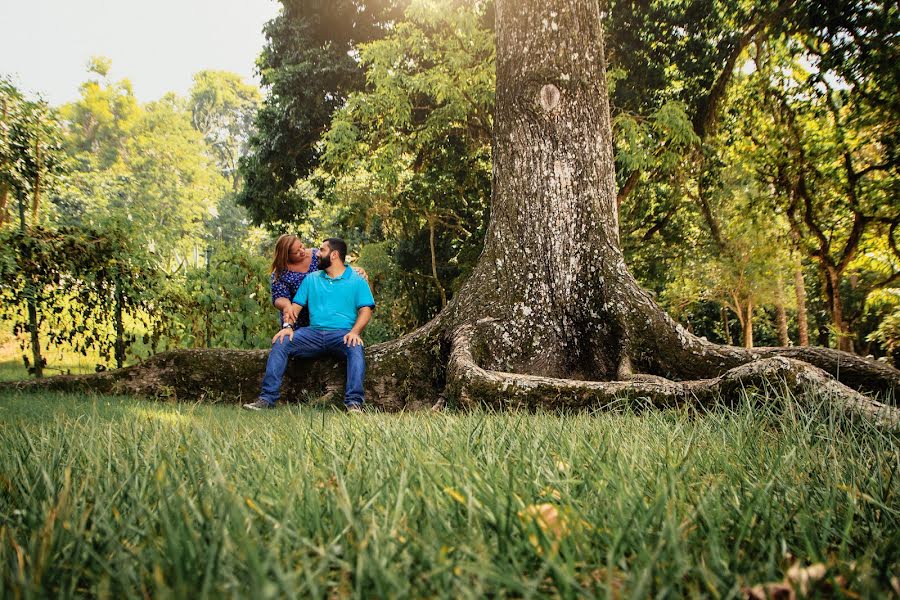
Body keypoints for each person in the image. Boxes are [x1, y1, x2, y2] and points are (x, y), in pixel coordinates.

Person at [243, 238, 375, 412]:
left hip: (341, 334)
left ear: (334, 255)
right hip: (312, 333)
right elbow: (294, 309)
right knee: (281, 342)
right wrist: (287, 327)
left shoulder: (357, 280)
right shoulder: (311, 279)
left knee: (355, 348)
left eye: (322, 250)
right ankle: (267, 399)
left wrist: (355, 332)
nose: (316, 254)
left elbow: (366, 310)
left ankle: (354, 403)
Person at [269, 234, 366, 329]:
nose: (302, 251)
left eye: (301, 246)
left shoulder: (316, 255)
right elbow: (279, 297)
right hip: (297, 316)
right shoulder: (280, 272)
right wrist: (287, 306)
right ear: (286, 255)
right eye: (296, 252)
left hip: (324, 313)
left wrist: (355, 270)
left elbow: (337, 266)